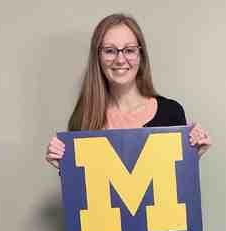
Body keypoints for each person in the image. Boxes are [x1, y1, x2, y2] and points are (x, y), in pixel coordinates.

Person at [45, 13, 212, 171]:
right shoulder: (83, 118)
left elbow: (177, 185)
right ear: (98, 57)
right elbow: (83, 194)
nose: (120, 59)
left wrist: (193, 155)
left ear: (141, 55)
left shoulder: (171, 113)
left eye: (129, 50)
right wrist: (64, 167)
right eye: (110, 50)